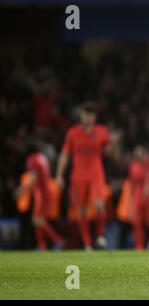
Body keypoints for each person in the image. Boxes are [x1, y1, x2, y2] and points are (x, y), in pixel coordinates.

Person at [56, 102, 117, 250]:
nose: (87, 117)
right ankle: (87, 243)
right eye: (85, 114)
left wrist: (114, 144)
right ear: (81, 116)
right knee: (81, 209)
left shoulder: (101, 131)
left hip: (96, 174)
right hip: (78, 176)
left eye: (90, 114)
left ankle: (100, 235)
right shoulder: (73, 133)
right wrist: (59, 174)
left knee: (99, 205)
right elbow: (65, 154)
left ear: (94, 117)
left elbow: (110, 155)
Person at [15, 150, 63, 250]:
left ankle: (57, 240)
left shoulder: (33, 159)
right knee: (39, 220)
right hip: (46, 190)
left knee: (37, 220)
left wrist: (21, 190)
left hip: (40, 192)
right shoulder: (42, 158)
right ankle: (43, 246)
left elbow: (33, 176)